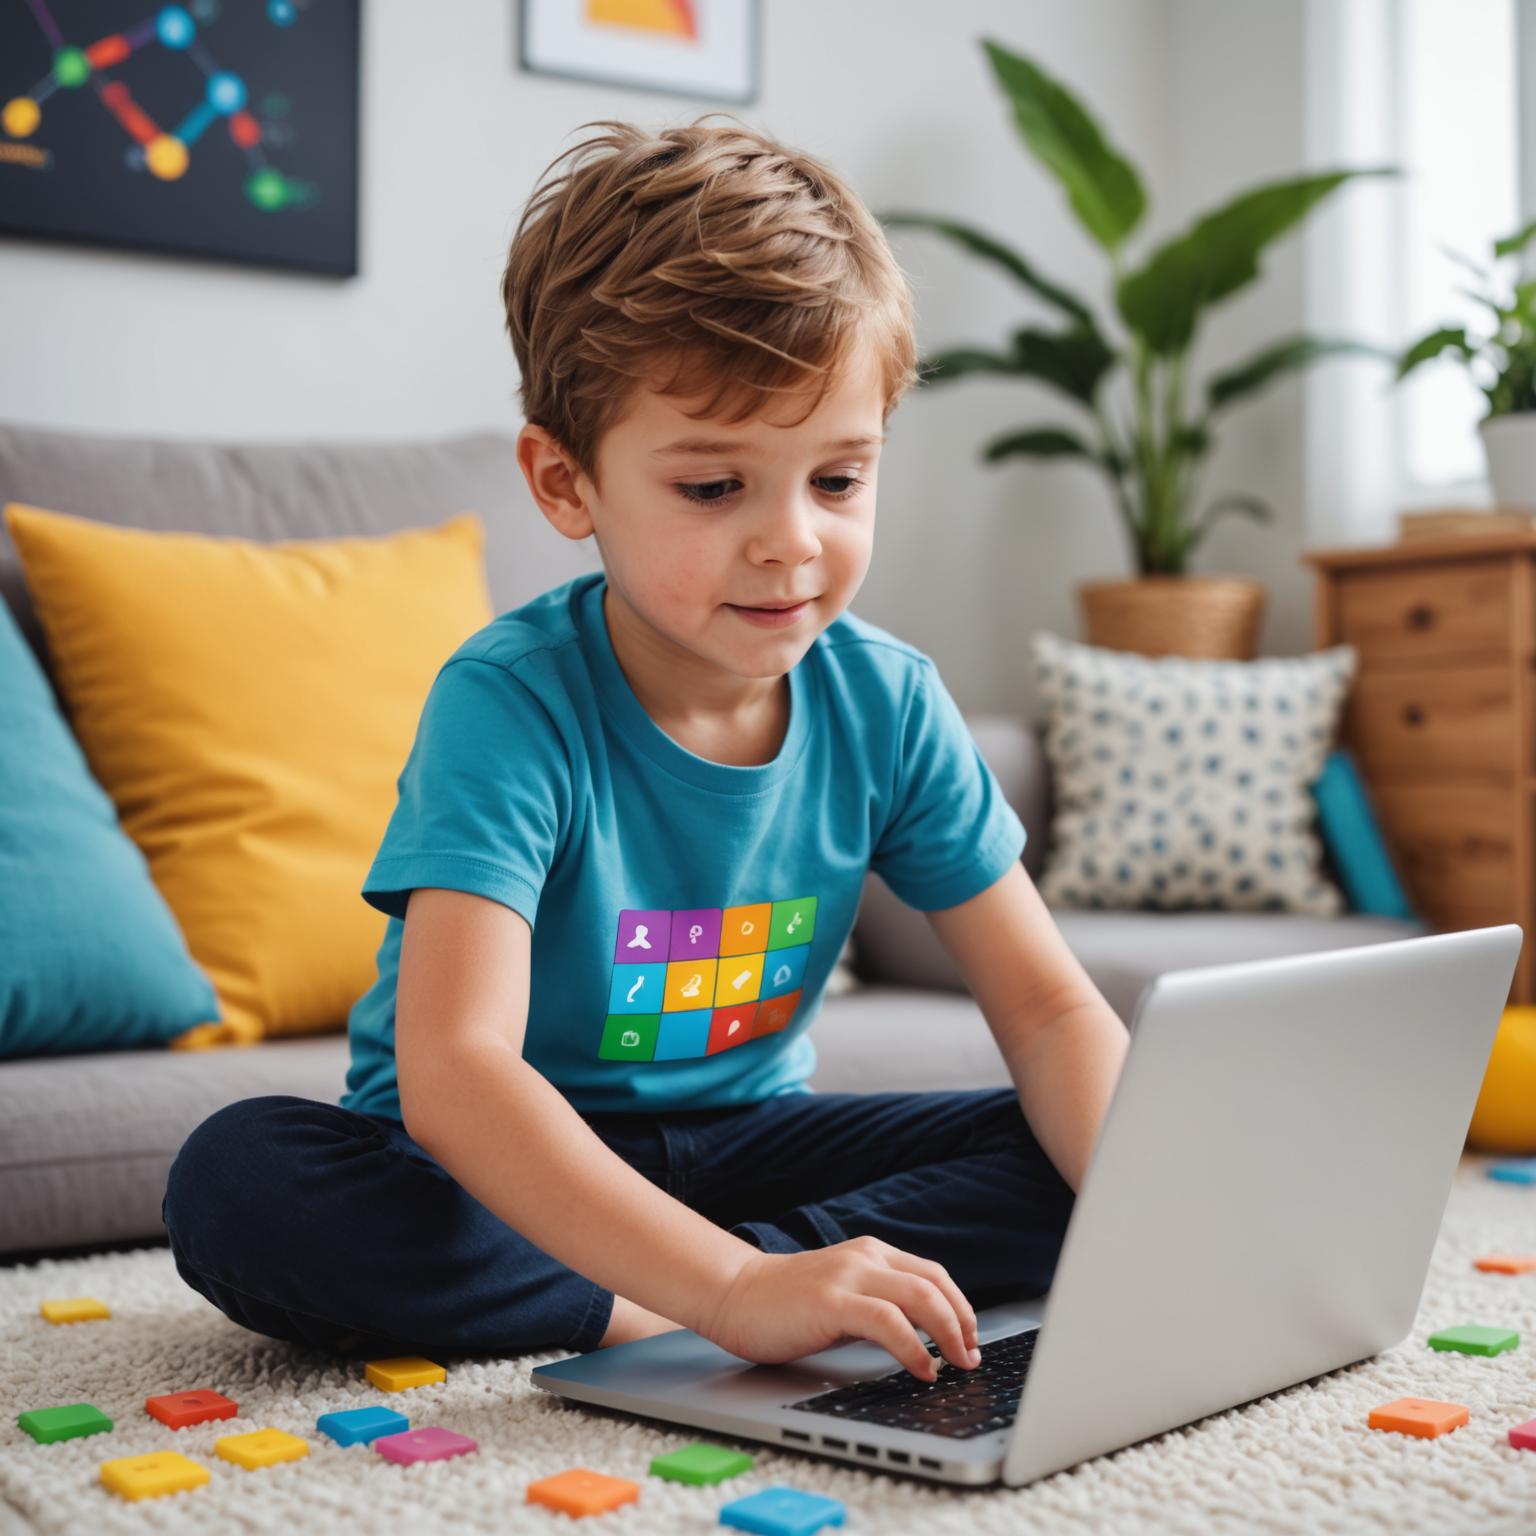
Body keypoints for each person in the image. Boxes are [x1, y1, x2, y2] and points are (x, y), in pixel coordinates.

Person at [162, 113, 1129, 1383]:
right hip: (486, 1160)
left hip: (748, 1145)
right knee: (245, 1182)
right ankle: (706, 1291)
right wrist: (730, 1287)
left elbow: (1052, 1010)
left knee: (1086, 1152)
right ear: (567, 486)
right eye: (715, 487)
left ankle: (740, 1278)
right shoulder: (510, 700)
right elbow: (455, 1076)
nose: (791, 542)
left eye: (837, 480)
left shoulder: (888, 701)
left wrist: (1161, 1197)